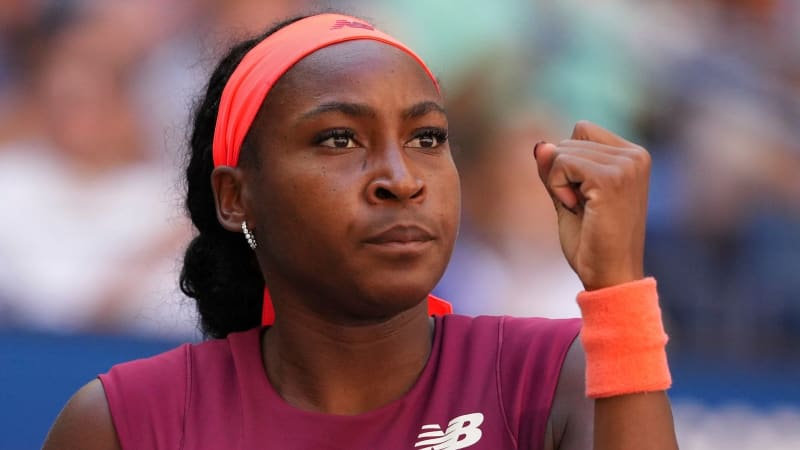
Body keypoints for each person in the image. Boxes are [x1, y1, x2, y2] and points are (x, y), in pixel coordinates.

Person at [43, 12, 678, 450]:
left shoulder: (559, 372)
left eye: (426, 137)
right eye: (338, 139)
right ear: (236, 197)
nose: (401, 179)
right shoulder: (123, 422)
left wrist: (618, 292)